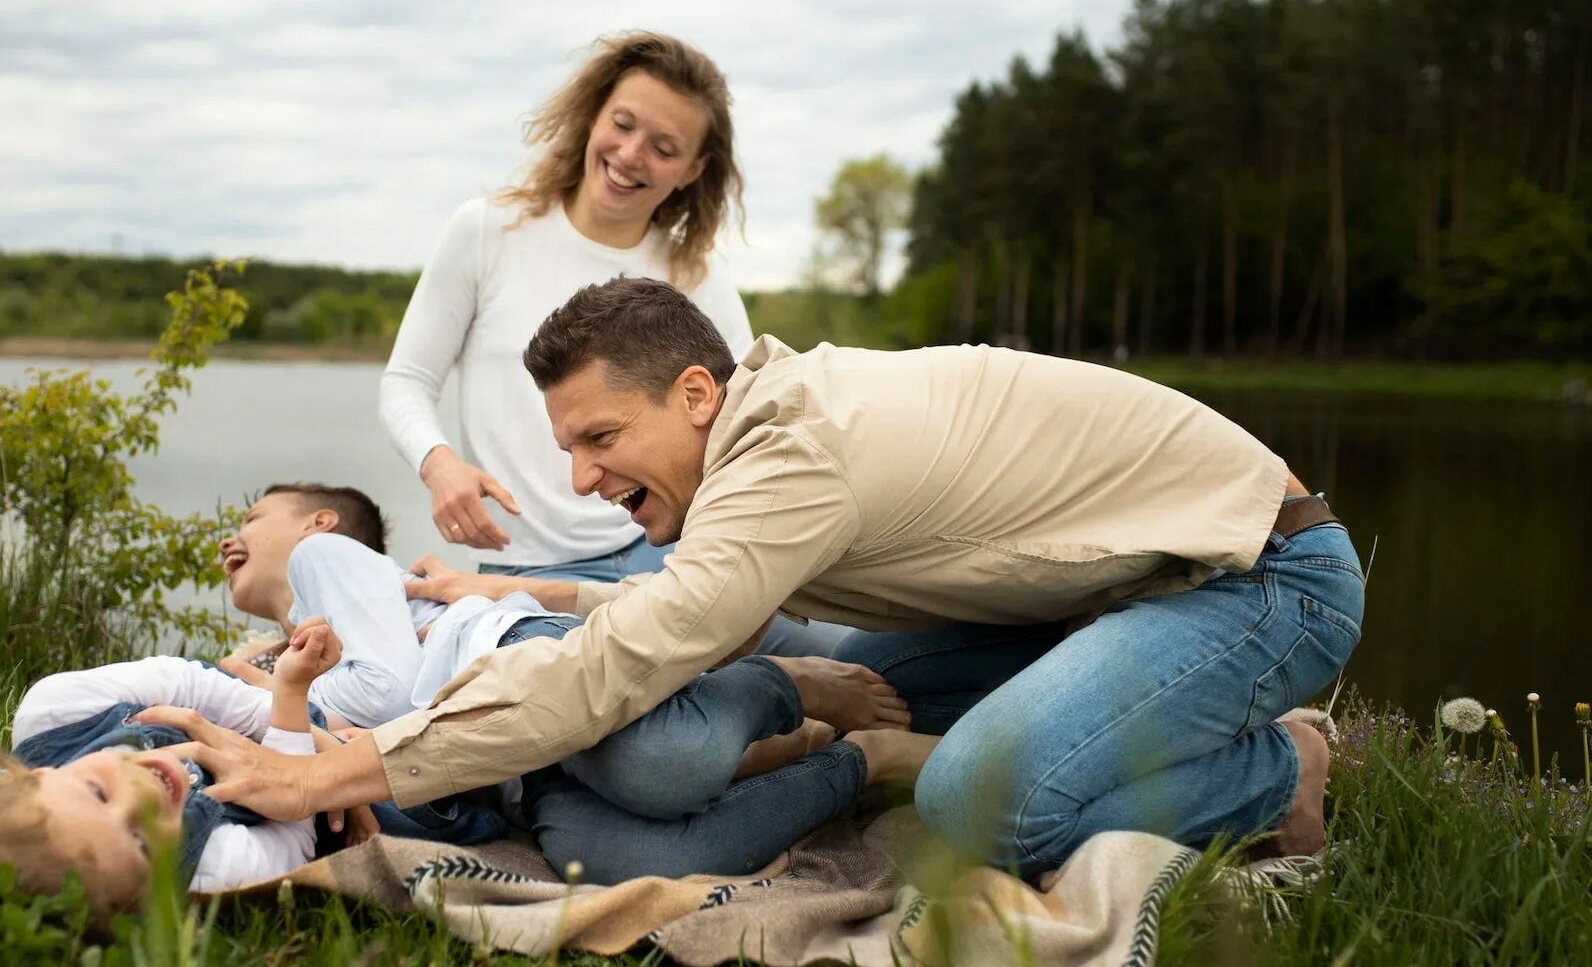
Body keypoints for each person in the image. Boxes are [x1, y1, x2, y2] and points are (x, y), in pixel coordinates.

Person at [189, 276, 1365, 882]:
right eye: (568, 450)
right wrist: (538, 597)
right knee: (850, 670)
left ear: (696, 394)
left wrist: (335, 771)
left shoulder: (794, 453)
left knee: (970, 805)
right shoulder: (762, 433)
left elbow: (634, 658)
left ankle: (1278, 767)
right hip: (1117, 596)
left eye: (601, 439)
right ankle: (1167, 723)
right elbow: (684, 607)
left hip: (1260, 582)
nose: (584, 477)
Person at [201, 483, 927, 883]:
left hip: (519, 669)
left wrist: (296, 707)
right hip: (504, 775)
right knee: (642, 863)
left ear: (317, 523)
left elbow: (389, 695)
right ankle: (860, 762)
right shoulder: (272, 657)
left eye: (254, 515)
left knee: (663, 766)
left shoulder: (322, 559)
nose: (233, 535)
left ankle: (778, 685)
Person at [377, 30, 838, 656]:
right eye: (621, 124)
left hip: (677, 554)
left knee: (838, 650)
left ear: (692, 170)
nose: (630, 155)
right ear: (592, 115)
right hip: (526, 572)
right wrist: (440, 464)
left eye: (663, 147)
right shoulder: (487, 232)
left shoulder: (698, 273)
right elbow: (407, 381)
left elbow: (747, 413)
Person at [0, 621, 349, 925]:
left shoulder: (54, 712)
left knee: (327, 719)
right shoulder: (210, 870)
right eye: (140, 842)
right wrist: (293, 707)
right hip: (294, 763)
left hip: (224, 704)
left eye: (98, 794)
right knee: (375, 779)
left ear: (30, 778)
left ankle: (254, 673)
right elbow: (292, 841)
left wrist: (286, 720)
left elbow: (185, 682)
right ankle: (284, 685)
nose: (143, 798)